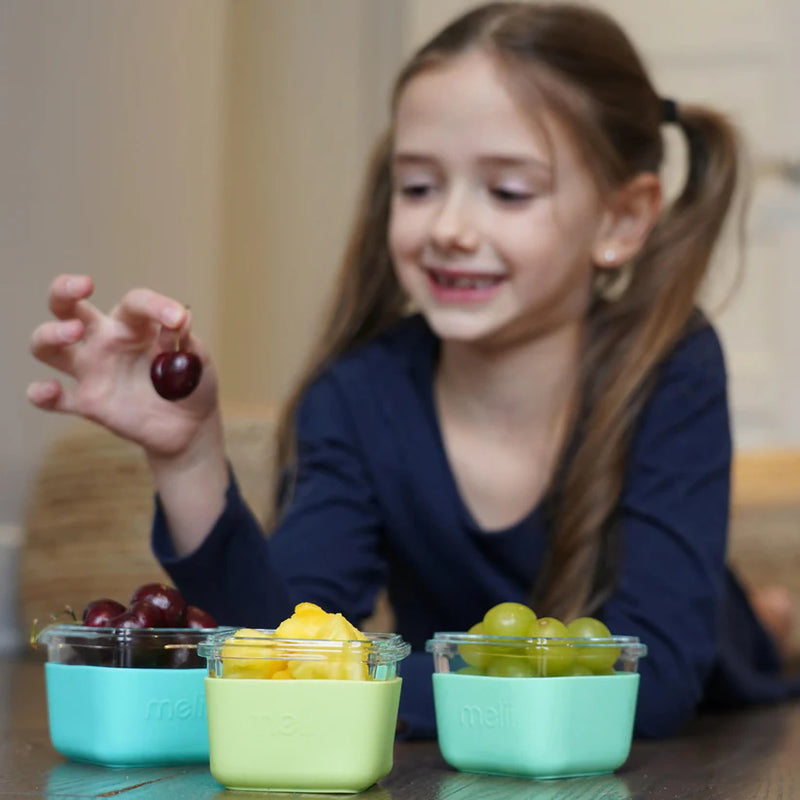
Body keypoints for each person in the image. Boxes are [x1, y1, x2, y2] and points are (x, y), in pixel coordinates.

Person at [27, 1, 799, 739]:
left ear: (622, 221)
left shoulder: (671, 363)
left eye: (508, 190)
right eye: (420, 186)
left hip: (719, 672)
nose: (450, 228)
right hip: (482, 693)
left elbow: (655, 682)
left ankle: (768, 618)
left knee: (751, 632)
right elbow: (282, 650)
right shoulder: (356, 397)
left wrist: (366, 680)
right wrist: (188, 456)